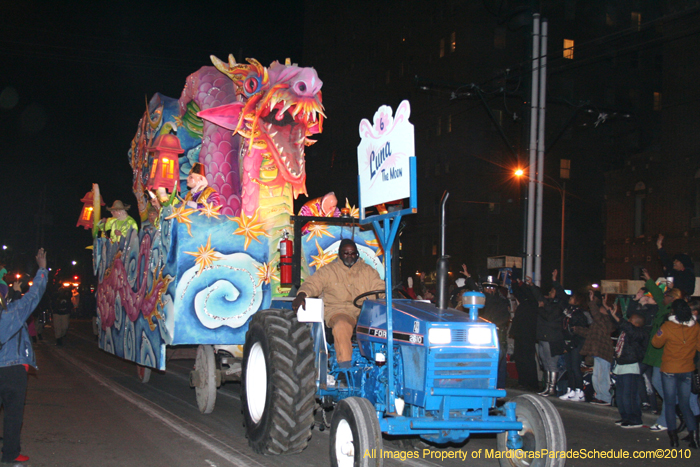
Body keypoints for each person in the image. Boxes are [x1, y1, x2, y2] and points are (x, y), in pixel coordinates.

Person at [292, 239, 384, 368]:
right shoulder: (328, 271)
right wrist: (302, 294)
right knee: (342, 325)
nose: (349, 256)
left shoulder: (368, 271)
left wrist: (388, 295)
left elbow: (379, 287)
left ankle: (383, 366)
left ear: (357, 254)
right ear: (339, 254)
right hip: (340, 311)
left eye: (352, 253)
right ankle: (345, 369)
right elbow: (313, 284)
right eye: (345, 253)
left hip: (365, 312)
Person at [0, 248, 48, 464]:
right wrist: (42, 269)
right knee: (13, 414)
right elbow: (35, 294)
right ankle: (10, 454)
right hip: (12, 369)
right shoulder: (12, 312)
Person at [652, 299, 700, 448]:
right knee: (685, 405)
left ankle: (673, 439)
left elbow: (656, 343)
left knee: (670, 403)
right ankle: (695, 436)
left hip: (670, 370)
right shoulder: (696, 327)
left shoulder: (668, 326)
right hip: (687, 369)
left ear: (673, 312)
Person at [641, 267, 682, 432]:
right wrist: (649, 280)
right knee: (660, 385)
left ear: (673, 299)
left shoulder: (674, 312)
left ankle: (667, 418)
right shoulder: (665, 308)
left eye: (667, 296)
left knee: (664, 387)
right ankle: (676, 408)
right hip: (658, 355)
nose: (663, 297)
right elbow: (658, 295)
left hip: (666, 356)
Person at [574, 291, 615, 405]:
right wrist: (577, 329)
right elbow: (590, 333)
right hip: (597, 352)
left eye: (602, 307)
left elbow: (596, 315)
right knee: (596, 376)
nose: (600, 308)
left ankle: (605, 398)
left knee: (602, 376)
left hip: (603, 352)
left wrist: (592, 302)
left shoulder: (606, 321)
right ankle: (600, 396)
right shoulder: (600, 322)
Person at [608, 308, 647, 429]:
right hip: (621, 364)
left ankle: (635, 418)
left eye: (630, 320)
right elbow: (619, 324)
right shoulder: (627, 331)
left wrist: (618, 317)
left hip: (631, 365)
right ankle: (625, 416)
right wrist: (613, 313)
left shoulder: (639, 333)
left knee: (628, 395)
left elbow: (627, 326)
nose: (627, 321)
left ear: (635, 322)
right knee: (620, 394)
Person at [534, 270, 566, 397]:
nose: (549, 293)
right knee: (545, 362)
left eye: (552, 291)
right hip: (544, 336)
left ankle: (552, 387)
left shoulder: (559, 305)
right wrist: (531, 285)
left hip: (552, 338)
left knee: (551, 363)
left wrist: (555, 281)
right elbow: (539, 297)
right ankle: (547, 386)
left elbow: (549, 317)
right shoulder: (549, 303)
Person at [559, 291, 589, 402]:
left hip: (576, 343)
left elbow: (580, 332)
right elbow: (561, 299)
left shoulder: (580, 314)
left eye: (572, 297)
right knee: (569, 368)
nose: (570, 299)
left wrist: (571, 345)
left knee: (576, 368)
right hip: (568, 342)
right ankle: (570, 390)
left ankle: (579, 391)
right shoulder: (569, 311)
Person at [510, 279, 540, 391]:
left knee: (528, 359)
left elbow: (525, 292)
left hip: (528, 335)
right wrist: (514, 282)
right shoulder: (525, 303)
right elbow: (518, 293)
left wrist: (522, 284)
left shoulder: (533, 302)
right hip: (520, 334)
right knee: (520, 358)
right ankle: (523, 381)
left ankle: (531, 383)